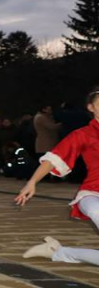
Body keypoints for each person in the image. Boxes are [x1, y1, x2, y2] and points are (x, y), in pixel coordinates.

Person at [16, 87, 99, 267]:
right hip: (93, 195)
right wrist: (32, 182)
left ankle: (58, 252)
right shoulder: (83, 134)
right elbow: (55, 158)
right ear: (91, 107)